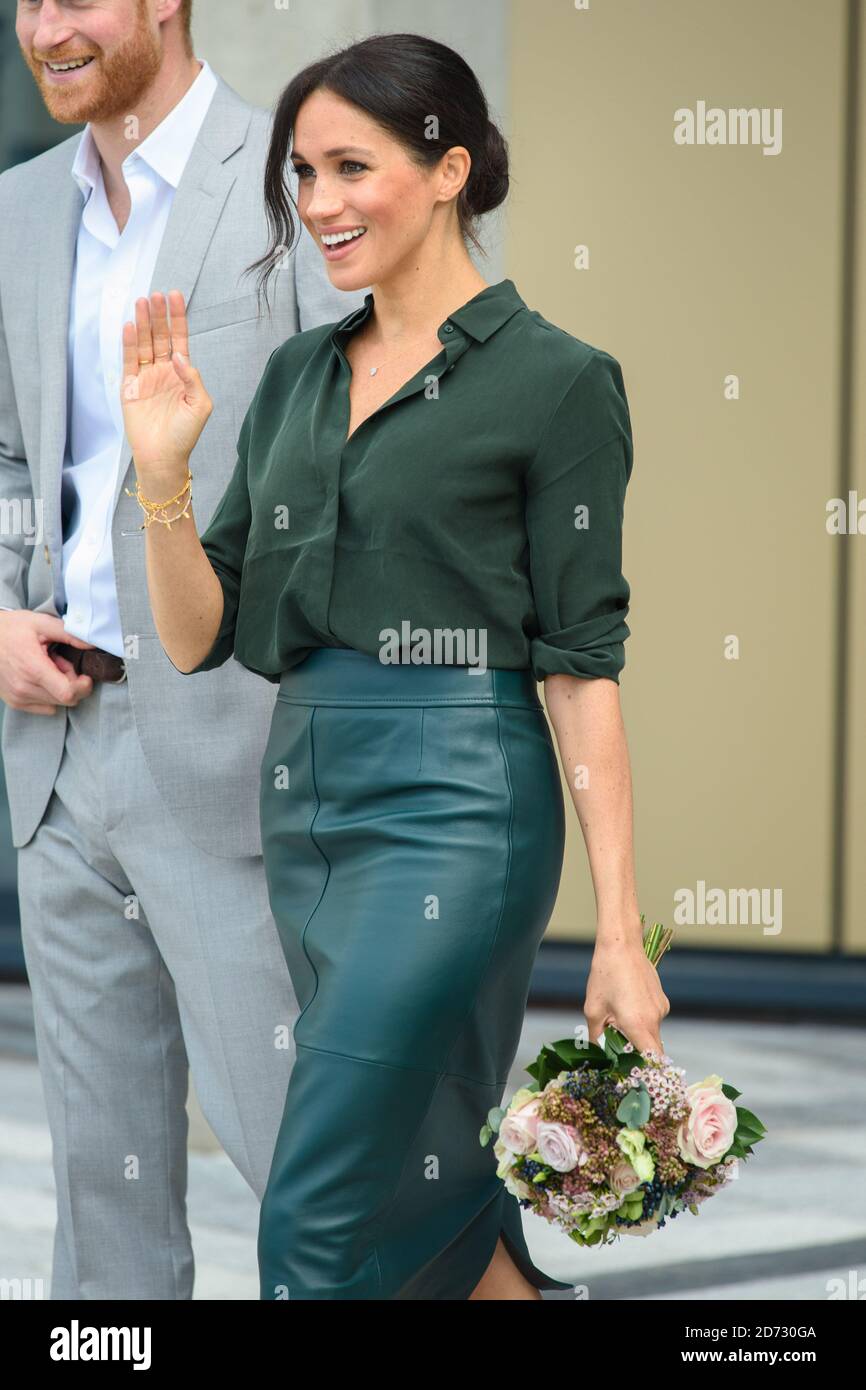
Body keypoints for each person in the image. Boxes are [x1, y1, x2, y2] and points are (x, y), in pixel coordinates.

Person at [120, 31, 669, 1301]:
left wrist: (622, 932)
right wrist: (162, 478)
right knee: (421, 1171)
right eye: (299, 175)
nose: (316, 205)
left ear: (447, 169)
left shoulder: (557, 384)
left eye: (349, 167)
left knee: (314, 1215)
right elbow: (205, 632)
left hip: (458, 810)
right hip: (308, 804)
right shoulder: (298, 379)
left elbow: (582, 666)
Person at [0, 0, 365, 1299]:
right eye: (27, 1)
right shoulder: (22, 206)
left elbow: (363, 445)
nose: (44, 27)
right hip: (56, 752)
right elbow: (9, 458)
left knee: (306, 1168)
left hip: (243, 752)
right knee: (104, 1202)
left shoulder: (295, 175)